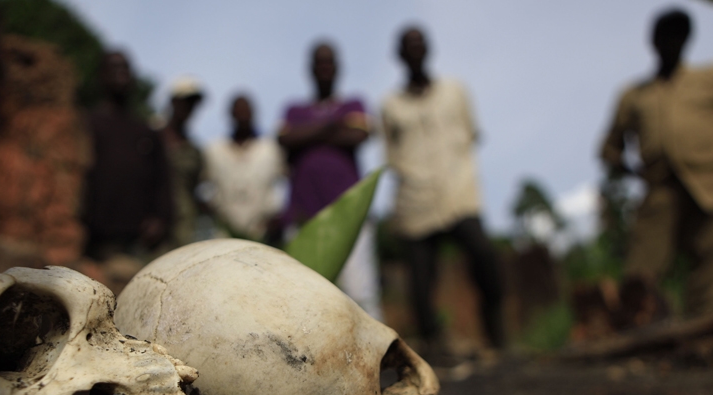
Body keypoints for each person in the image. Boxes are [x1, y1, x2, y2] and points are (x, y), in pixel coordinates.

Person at [599, 9, 713, 321]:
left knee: (710, 276)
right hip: (659, 190)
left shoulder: (712, 79)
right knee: (639, 279)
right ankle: (642, 334)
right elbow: (609, 150)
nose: (669, 43)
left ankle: (701, 339)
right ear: (653, 41)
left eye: (677, 36)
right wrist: (636, 172)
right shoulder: (634, 96)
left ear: (686, 40)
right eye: (664, 36)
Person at [381, 26, 506, 353]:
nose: (415, 50)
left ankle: (497, 335)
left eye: (420, 43)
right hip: (416, 202)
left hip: (459, 194)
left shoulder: (455, 91)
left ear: (428, 49)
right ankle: (435, 348)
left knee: (483, 256)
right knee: (420, 282)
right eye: (408, 45)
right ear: (399, 54)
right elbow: (390, 154)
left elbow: (471, 133)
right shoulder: (390, 105)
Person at [278, 42, 382, 320]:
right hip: (303, 215)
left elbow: (359, 135)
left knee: (360, 292)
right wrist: (332, 127)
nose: (324, 67)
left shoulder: (354, 103)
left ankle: (378, 362)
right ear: (310, 69)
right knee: (302, 297)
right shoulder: (293, 109)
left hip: (350, 214)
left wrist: (308, 136)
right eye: (319, 62)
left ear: (337, 68)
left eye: (329, 61)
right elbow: (285, 138)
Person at [83, 51, 172, 261]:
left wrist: (160, 219)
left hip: (138, 243)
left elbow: (163, 181)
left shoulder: (146, 131)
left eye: (125, 68)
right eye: (113, 68)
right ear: (101, 76)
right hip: (96, 240)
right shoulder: (88, 124)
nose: (120, 74)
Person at [203, 94, 284, 243]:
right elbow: (202, 188)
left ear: (254, 113)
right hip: (224, 235)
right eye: (238, 110)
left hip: (262, 234)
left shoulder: (270, 148)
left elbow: (285, 181)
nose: (242, 115)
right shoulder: (214, 150)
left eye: (246, 110)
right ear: (230, 114)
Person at [162, 77, 206, 248]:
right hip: (154, 231)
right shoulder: (152, 139)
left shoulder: (194, 151)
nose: (188, 108)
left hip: (184, 231)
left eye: (193, 104)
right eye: (185, 102)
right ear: (173, 102)